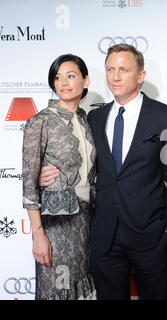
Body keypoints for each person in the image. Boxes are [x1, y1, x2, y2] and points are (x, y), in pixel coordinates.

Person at [40, 44, 167, 300]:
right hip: (104, 236)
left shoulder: (166, 117)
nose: (115, 76)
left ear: (140, 75)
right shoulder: (94, 119)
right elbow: (81, 163)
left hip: (150, 235)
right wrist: (48, 175)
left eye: (123, 69)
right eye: (110, 69)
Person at [22, 54, 96, 300]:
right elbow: (29, 185)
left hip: (86, 222)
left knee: (81, 287)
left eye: (71, 76)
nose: (63, 82)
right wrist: (38, 235)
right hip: (56, 225)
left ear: (85, 81)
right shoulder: (40, 121)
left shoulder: (88, 121)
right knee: (57, 288)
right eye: (57, 77)